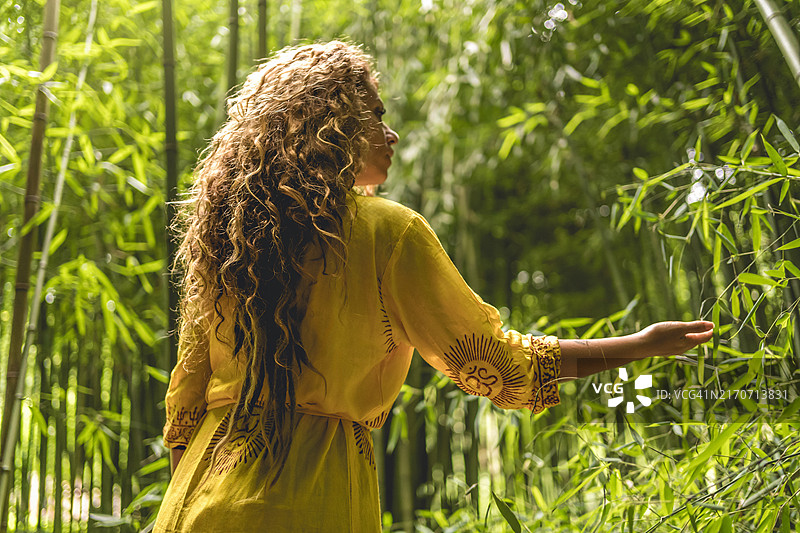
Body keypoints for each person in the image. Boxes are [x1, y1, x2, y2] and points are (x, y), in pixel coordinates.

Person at [153, 41, 713, 532]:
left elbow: (185, 398)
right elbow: (492, 359)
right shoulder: (387, 234)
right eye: (374, 114)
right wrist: (637, 346)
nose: (391, 132)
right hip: (311, 494)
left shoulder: (231, 237)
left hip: (200, 494)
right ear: (332, 125)